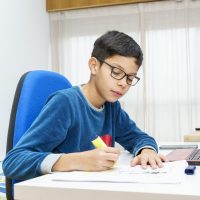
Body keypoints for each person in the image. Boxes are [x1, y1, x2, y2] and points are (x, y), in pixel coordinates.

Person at [3, 30, 166, 181]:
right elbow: (13, 161)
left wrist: (147, 151)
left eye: (130, 78)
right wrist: (76, 160)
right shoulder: (65, 103)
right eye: (116, 72)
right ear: (94, 65)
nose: (123, 83)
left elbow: (138, 137)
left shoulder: (111, 106)